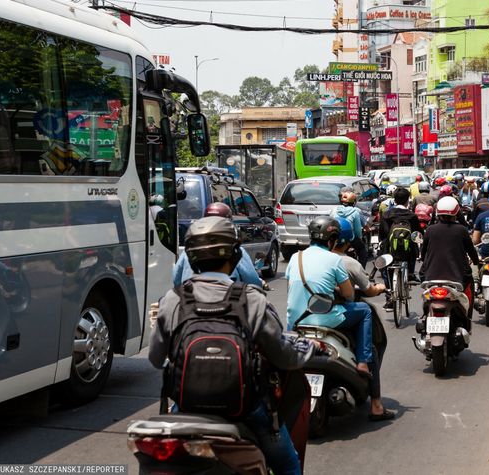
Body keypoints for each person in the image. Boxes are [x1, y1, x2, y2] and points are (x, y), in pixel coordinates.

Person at [150, 216, 315, 475]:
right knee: (287, 465)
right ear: (235, 255)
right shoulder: (251, 298)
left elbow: (155, 358)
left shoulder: (173, 299)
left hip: (186, 406)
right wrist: (307, 350)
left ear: (190, 257)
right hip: (246, 408)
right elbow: (283, 356)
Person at [286, 216, 373, 376]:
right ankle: (363, 361)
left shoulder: (294, 257)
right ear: (332, 240)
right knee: (365, 311)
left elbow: (290, 289)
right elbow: (349, 295)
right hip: (325, 319)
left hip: (295, 321)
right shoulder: (334, 259)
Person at [330, 217, 394, 421]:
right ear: (347, 241)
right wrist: (380, 288)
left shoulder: (305, 259)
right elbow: (361, 291)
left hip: (309, 313)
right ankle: (375, 404)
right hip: (338, 312)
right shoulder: (347, 263)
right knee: (372, 347)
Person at [420, 196, 480, 325]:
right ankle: (466, 318)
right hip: (457, 278)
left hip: (430, 277)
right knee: (470, 283)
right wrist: (476, 262)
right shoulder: (462, 230)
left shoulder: (430, 230)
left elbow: (423, 254)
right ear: (456, 213)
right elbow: (472, 252)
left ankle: (425, 315)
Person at [173, 202, 261, 288]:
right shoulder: (235, 250)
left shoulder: (190, 250)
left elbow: (176, 279)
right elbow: (253, 281)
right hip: (228, 298)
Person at [379, 186, 421, 286]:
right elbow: (417, 234)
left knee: (385, 270)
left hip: (389, 251)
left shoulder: (386, 214)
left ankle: (388, 291)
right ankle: (410, 273)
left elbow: (382, 234)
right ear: (407, 200)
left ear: (395, 200)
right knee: (414, 245)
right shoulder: (412, 215)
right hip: (408, 252)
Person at [334, 188, 367, 267]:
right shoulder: (355, 211)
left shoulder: (334, 210)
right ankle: (362, 270)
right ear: (353, 202)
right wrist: (360, 239)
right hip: (350, 238)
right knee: (363, 251)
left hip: (335, 237)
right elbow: (358, 230)